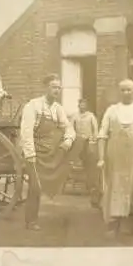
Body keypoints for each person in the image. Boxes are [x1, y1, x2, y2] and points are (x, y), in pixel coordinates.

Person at [97, 79, 133, 239]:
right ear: (119, 92)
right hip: (115, 154)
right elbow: (102, 135)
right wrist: (101, 158)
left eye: (129, 90)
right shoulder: (111, 110)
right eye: (123, 90)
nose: (126, 93)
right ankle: (113, 225)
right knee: (114, 185)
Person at [20, 74, 76, 231]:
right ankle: (31, 220)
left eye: (59, 87)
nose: (56, 90)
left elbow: (69, 128)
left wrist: (68, 140)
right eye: (53, 87)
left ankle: (61, 174)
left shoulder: (58, 109)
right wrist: (30, 155)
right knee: (35, 187)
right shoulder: (33, 106)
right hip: (34, 151)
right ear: (46, 88)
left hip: (49, 151)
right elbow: (26, 132)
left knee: (78, 141)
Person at [71, 99, 101, 207]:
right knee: (79, 156)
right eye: (80, 104)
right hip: (79, 141)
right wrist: (74, 138)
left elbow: (95, 129)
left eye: (84, 104)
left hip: (89, 141)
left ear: (86, 106)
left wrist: (93, 139)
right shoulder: (75, 116)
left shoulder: (91, 116)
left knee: (90, 162)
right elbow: (71, 128)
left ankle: (91, 185)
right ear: (78, 105)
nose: (82, 106)